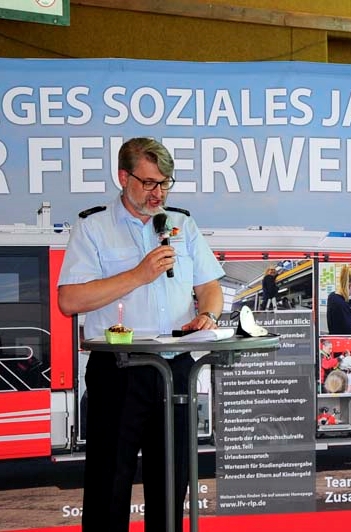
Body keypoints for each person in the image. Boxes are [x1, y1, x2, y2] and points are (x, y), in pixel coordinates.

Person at [57, 137, 225, 532]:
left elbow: (210, 286)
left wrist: (208, 314)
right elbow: (69, 300)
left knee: (172, 486)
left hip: (175, 371)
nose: (158, 193)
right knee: (108, 487)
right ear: (123, 177)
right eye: (149, 183)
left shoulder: (182, 223)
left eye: (165, 183)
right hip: (119, 371)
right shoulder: (93, 226)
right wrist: (139, 274)